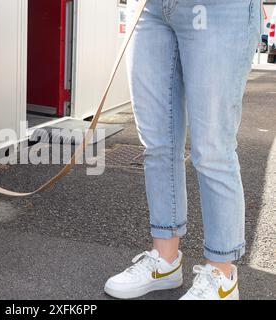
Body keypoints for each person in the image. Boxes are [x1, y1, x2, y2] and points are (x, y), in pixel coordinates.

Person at [104, 0, 260, 300]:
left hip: (220, 9)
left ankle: (222, 275)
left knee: (212, 149)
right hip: (151, 8)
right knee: (158, 144)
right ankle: (165, 261)